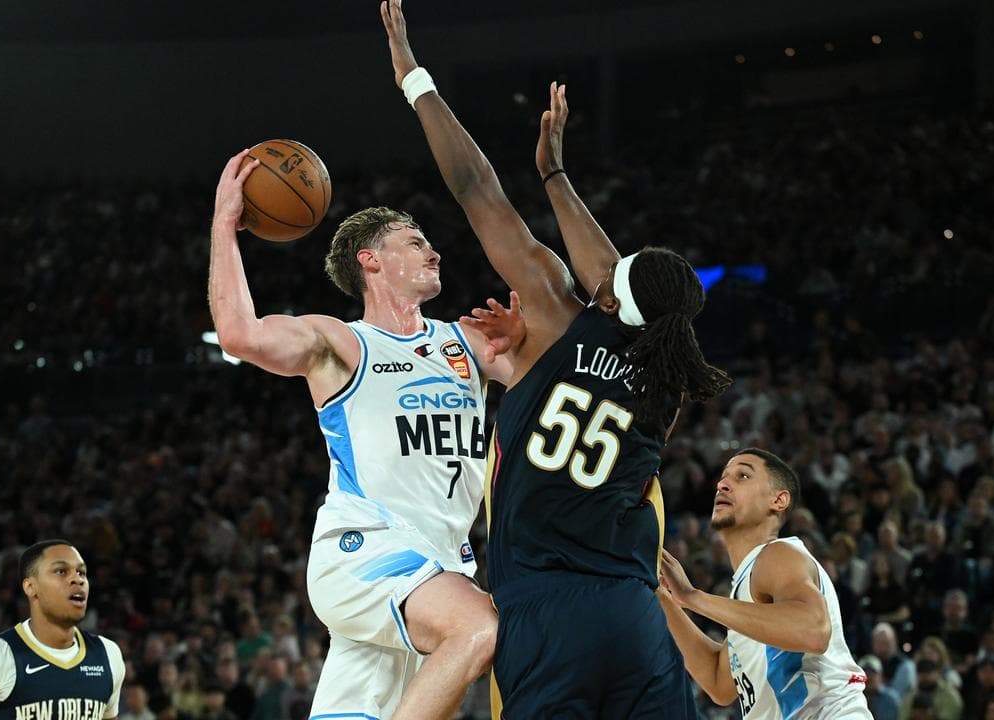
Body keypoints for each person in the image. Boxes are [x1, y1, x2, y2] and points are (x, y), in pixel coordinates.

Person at [381, 1, 728, 714]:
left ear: (608, 298)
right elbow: (615, 282)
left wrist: (415, 77)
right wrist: (556, 175)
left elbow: (476, 188)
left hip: (543, 612)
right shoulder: (670, 384)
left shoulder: (549, 314)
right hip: (633, 618)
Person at [208, 86, 514, 720]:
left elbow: (559, 374)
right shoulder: (342, 344)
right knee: (478, 629)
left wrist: (529, 345)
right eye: (413, 241)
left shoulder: (470, 341)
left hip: (437, 565)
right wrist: (224, 223)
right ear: (370, 261)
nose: (434, 251)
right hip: (367, 550)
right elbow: (239, 333)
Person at [658, 450, 872, 718]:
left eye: (743, 476)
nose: (722, 484)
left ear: (779, 500)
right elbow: (718, 681)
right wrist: (659, 594)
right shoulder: (748, 590)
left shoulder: (778, 554)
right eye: (723, 478)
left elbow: (813, 630)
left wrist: (692, 596)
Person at [0, 539, 125, 719]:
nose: (78, 580)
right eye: (61, 571)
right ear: (30, 587)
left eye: (81, 572)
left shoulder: (108, 655)